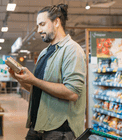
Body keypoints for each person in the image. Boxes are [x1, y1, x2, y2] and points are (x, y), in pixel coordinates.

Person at [8, 4, 86, 140]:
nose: (38, 30)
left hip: (59, 131)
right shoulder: (45, 52)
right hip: (38, 125)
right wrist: (20, 79)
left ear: (56, 22)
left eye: (42, 24)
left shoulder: (72, 49)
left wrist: (34, 80)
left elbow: (72, 93)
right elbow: (37, 89)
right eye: (38, 26)